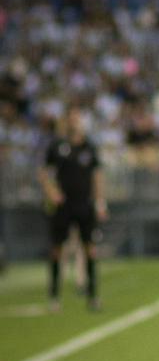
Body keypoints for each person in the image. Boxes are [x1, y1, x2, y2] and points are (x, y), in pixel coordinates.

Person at [39, 109, 106, 311]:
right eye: (72, 120)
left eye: (77, 120)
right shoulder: (57, 146)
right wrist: (52, 191)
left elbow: (97, 175)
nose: (74, 123)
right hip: (63, 206)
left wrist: (100, 201)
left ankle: (92, 295)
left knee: (89, 248)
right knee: (57, 248)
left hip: (84, 204)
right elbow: (43, 171)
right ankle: (53, 295)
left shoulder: (89, 147)